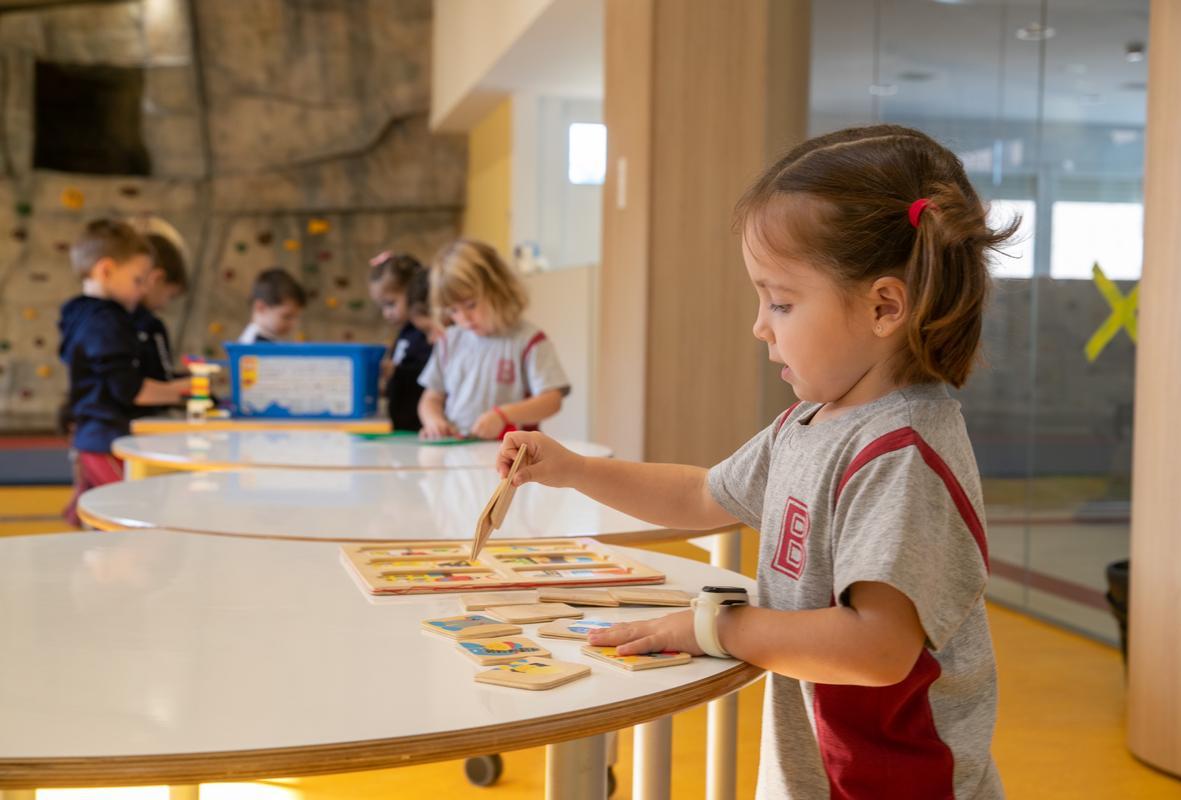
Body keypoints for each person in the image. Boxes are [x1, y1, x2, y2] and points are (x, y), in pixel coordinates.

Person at [498, 125, 1014, 799]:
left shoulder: (903, 454)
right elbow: (700, 495)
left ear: (885, 306)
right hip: (822, 772)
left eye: (781, 301)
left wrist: (715, 627)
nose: (760, 325)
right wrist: (571, 468)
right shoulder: (808, 424)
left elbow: (879, 649)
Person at [59, 219, 191, 525]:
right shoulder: (107, 322)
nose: (143, 290)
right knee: (134, 517)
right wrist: (186, 388)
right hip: (105, 439)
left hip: (94, 436)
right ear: (105, 271)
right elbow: (130, 389)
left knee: (112, 519)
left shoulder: (81, 313)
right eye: (137, 280)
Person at [417, 239, 569, 440]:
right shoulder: (449, 341)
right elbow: (431, 398)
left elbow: (552, 400)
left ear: (498, 290)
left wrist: (503, 416)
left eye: (471, 305)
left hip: (512, 456)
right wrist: (433, 420)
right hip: (457, 450)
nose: (464, 319)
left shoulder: (528, 340)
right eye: (454, 310)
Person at [368, 251, 434, 431]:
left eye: (390, 304)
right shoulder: (404, 332)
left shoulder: (426, 332)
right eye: (382, 306)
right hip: (401, 422)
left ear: (413, 291)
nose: (386, 313)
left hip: (420, 423)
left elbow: (432, 374)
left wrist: (397, 370)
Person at [131, 232, 188, 414]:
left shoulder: (113, 320)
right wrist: (192, 385)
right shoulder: (151, 325)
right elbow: (162, 378)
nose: (165, 305)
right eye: (169, 296)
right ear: (157, 279)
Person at [237, 267, 306, 344]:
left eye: (295, 317)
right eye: (287, 316)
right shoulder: (254, 344)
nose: (293, 324)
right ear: (261, 308)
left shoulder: (267, 339)